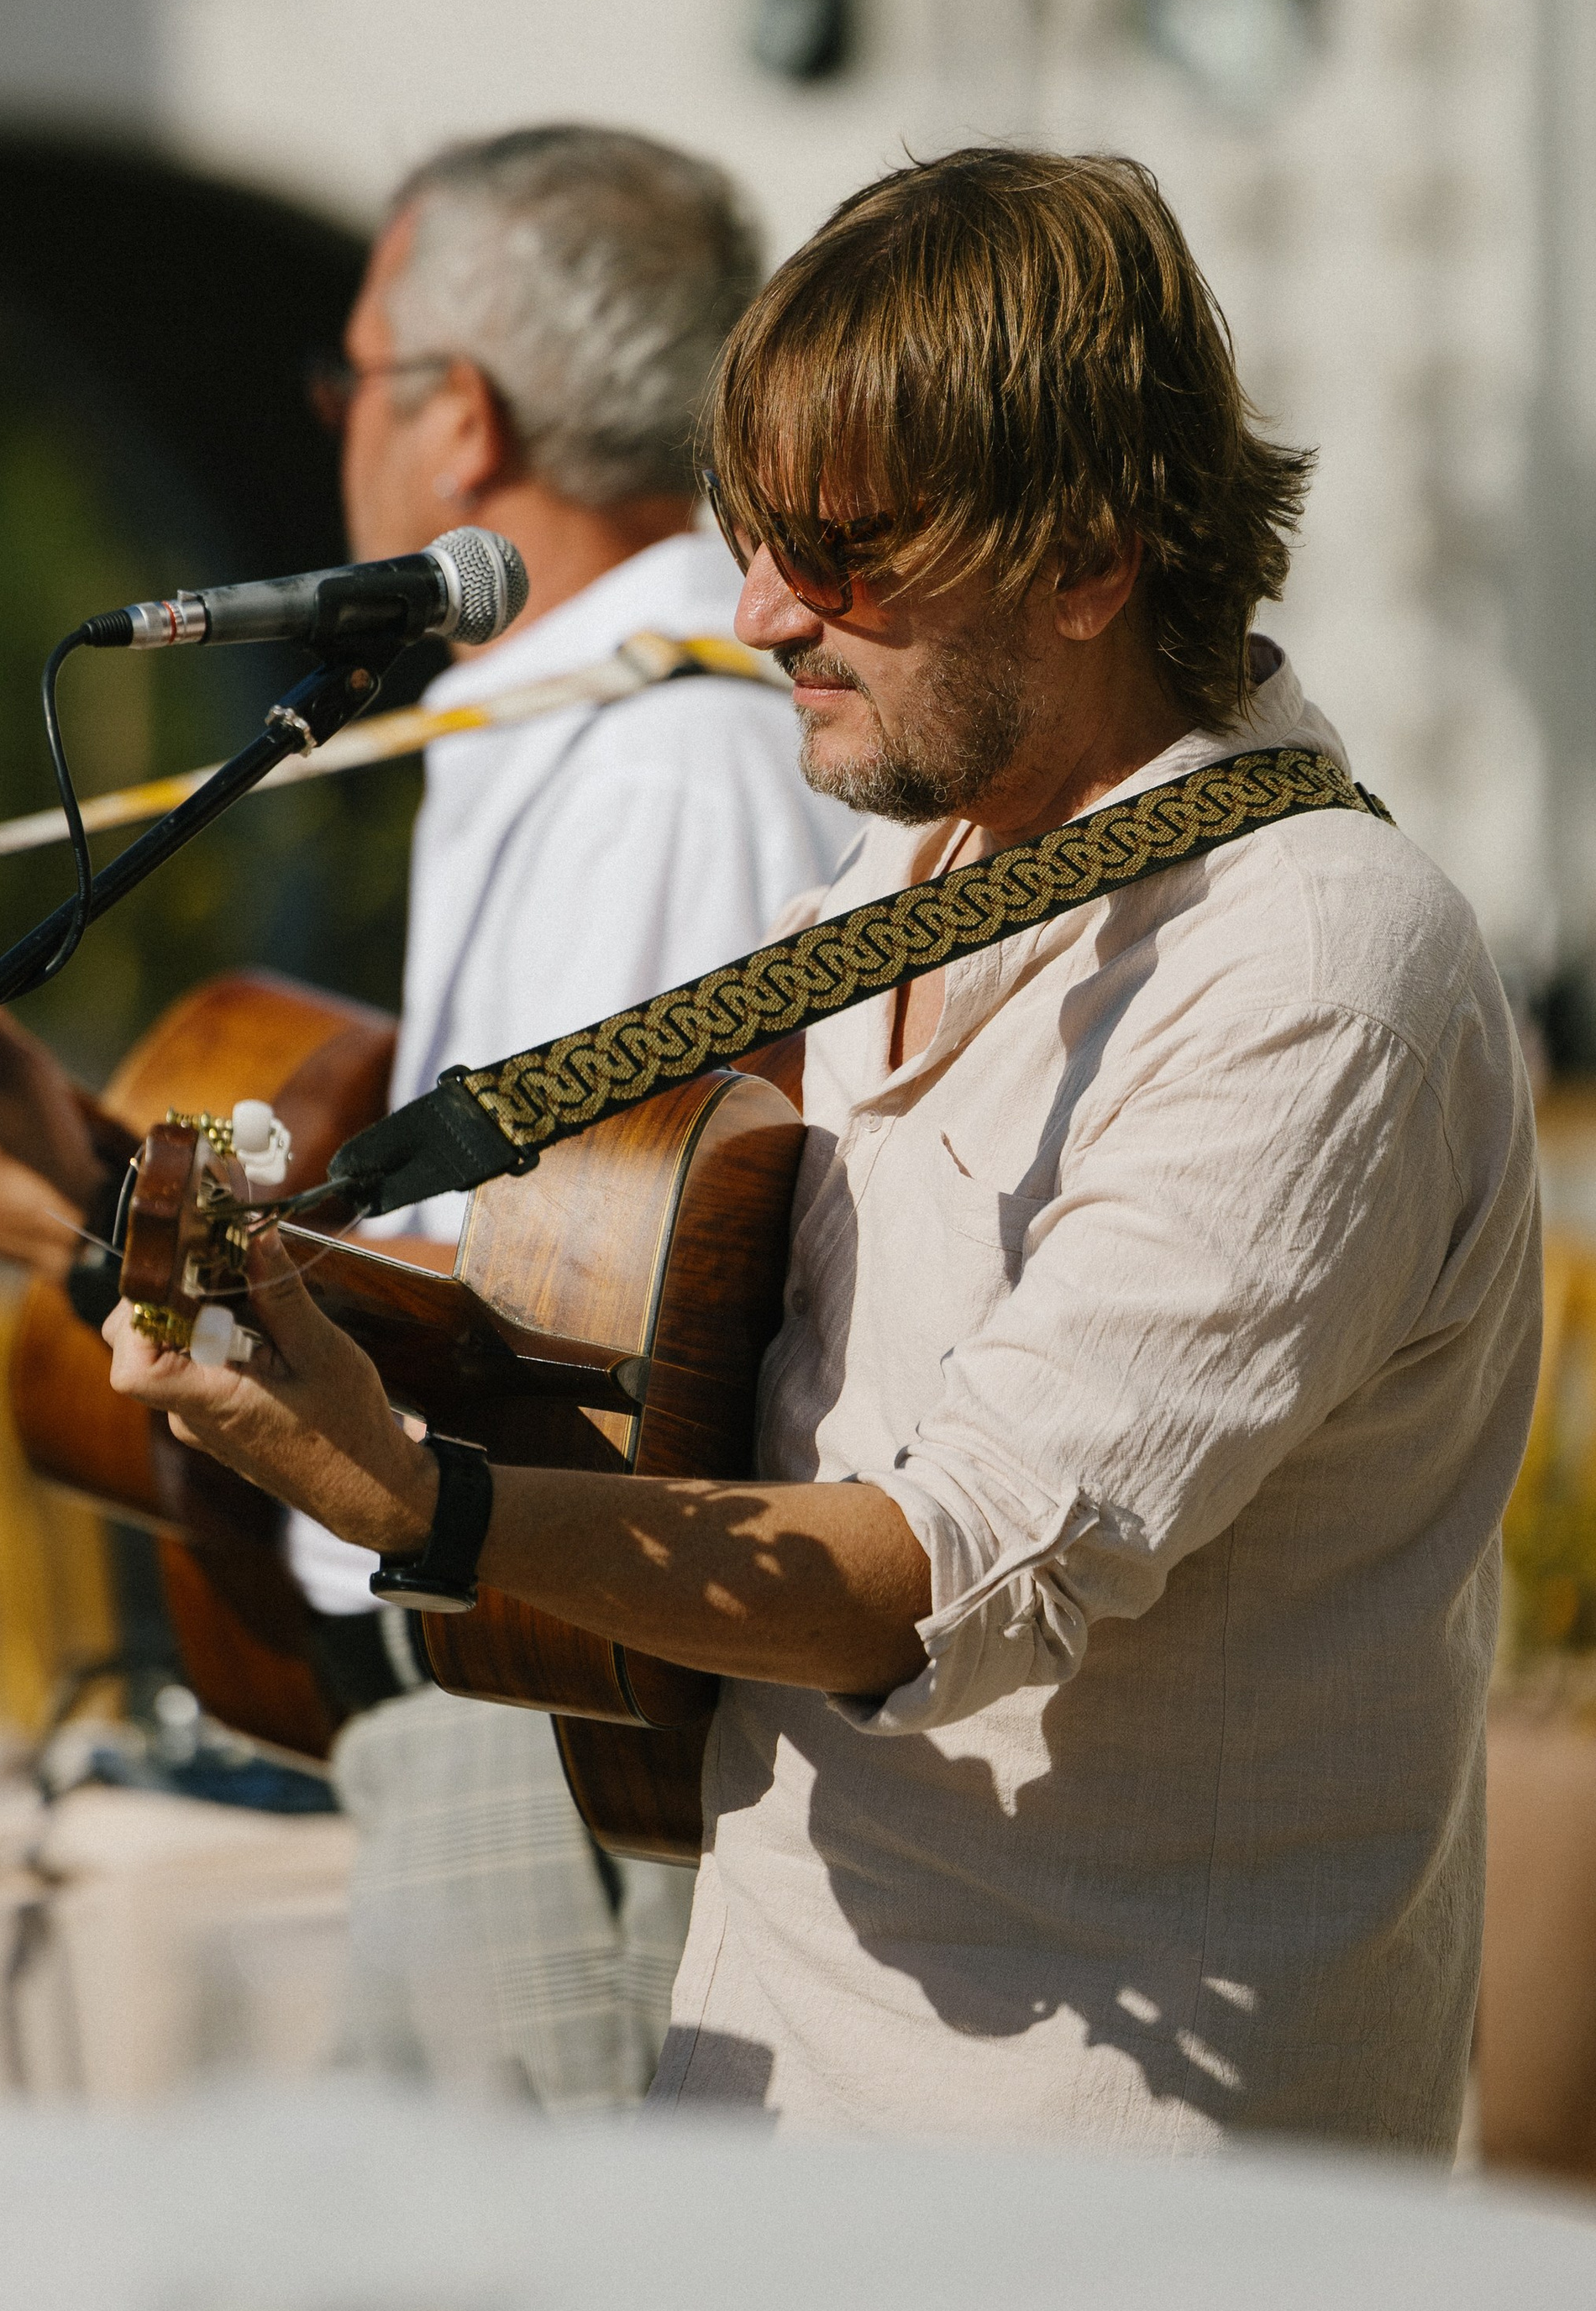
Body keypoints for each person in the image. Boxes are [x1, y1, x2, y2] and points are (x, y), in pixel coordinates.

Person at [100, 144, 1543, 2154]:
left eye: (842, 554)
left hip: (1112, 2189)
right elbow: (638, 1349)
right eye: (747, 537)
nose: (763, 611)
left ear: (1085, 558)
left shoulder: (1307, 960)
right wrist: (271, 1290)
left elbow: (929, 1577)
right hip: (771, 2076)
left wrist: (419, 1502)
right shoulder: (908, 872)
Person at [0, 123, 855, 2109]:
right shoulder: (581, 722)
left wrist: (75, 1230)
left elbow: (572, 1337)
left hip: (527, 1682)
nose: (331, 428)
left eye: (346, 380)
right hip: (465, 1660)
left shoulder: (654, 759)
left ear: (456, 423)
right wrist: (88, 1184)